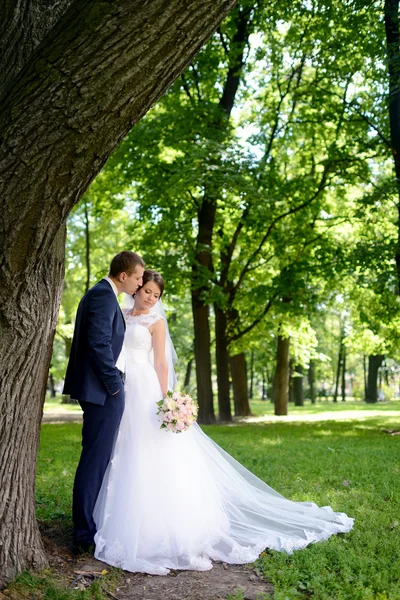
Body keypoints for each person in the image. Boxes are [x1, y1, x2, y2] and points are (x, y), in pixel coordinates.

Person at [93, 269, 354, 575]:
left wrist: (168, 401)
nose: (151, 298)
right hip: (123, 385)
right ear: (136, 288)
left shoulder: (156, 322)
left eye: (156, 295)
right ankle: (121, 519)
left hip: (146, 388)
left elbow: (161, 362)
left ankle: (164, 528)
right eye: (147, 291)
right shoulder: (121, 313)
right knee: (125, 448)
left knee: (151, 449)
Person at [63, 251, 145, 553]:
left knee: (97, 459)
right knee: (94, 461)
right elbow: (97, 344)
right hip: (101, 392)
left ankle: (89, 526)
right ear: (123, 276)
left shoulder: (104, 295)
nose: (140, 283)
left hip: (100, 390)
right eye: (138, 277)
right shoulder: (103, 296)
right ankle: (84, 534)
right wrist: (115, 387)